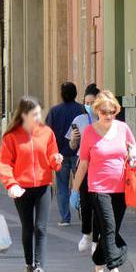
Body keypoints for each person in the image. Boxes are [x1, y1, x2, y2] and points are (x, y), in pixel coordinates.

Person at [72, 91, 136, 272]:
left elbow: (135, 151)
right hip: (98, 188)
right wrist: (75, 190)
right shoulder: (89, 133)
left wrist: (135, 157)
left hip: (121, 188)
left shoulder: (123, 128)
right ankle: (114, 269)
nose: (108, 116)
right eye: (104, 112)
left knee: (111, 229)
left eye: (112, 112)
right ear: (97, 111)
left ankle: (97, 266)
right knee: (109, 227)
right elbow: (83, 164)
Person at [0, 97, 63, 272]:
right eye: (34, 114)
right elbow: (4, 163)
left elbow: (52, 158)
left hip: (43, 185)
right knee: (27, 228)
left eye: (39, 113)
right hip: (22, 188)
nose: (38, 117)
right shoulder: (11, 137)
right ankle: (29, 265)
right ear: (24, 115)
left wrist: (56, 160)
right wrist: (11, 184)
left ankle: (39, 270)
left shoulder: (46, 133)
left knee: (40, 228)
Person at [65, 83, 101, 254]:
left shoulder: (105, 120)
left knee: (99, 204)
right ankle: (87, 234)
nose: (89, 106)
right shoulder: (78, 120)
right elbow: (72, 147)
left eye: (93, 102)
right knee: (86, 203)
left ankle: (96, 240)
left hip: (101, 165)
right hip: (84, 164)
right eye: (86, 102)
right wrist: (73, 139)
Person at [45, 82, 85, 227]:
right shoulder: (81, 109)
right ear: (75, 93)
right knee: (81, 184)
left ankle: (65, 217)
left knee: (62, 186)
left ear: (62, 94)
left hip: (59, 154)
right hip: (79, 153)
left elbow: (47, 133)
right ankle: (83, 211)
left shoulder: (54, 111)